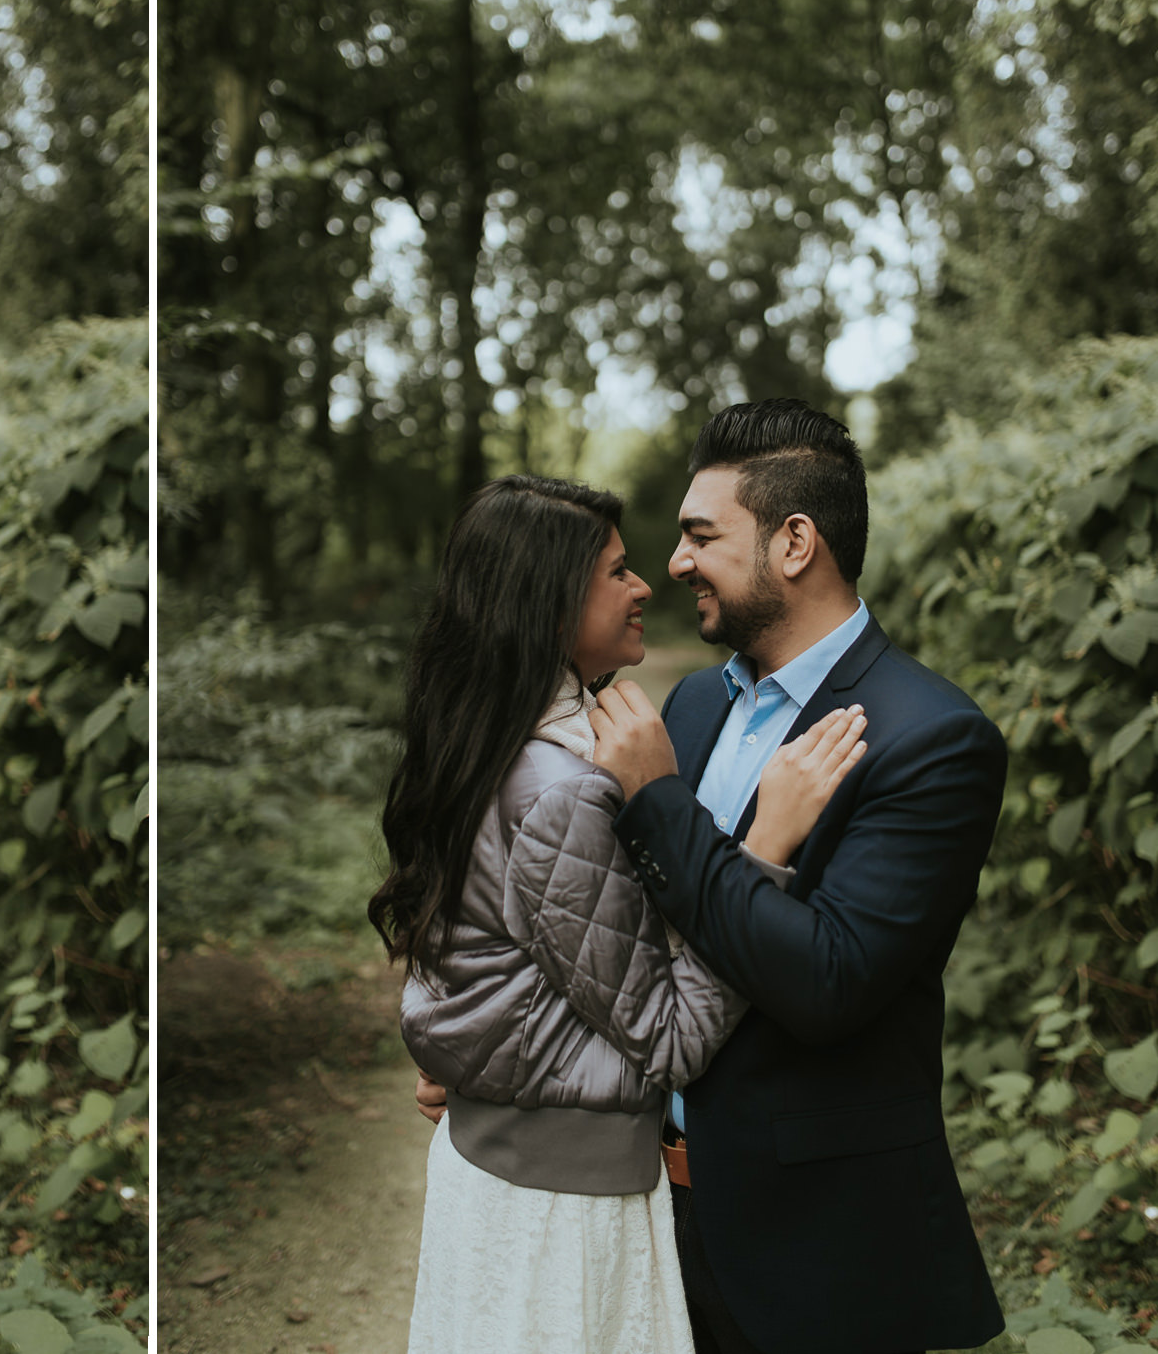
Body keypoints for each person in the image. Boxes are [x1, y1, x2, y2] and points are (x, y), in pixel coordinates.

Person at [371, 474, 866, 1354]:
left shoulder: (482, 741)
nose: (646, 586)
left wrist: (471, 1056)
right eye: (616, 571)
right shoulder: (562, 787)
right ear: (548, 603)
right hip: (566, 1210)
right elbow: (670, 1038)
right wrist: (766, 848)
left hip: (496, 1176)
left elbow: (492, 953)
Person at [588, 399, 1007, 1354]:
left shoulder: (931, 738)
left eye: (701, 534)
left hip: (817, 1251)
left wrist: (661, 806)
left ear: (795, 543)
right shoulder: (692, 705)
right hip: (648, 1212)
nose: (677, 560)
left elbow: (828, 982)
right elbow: (623, 935)